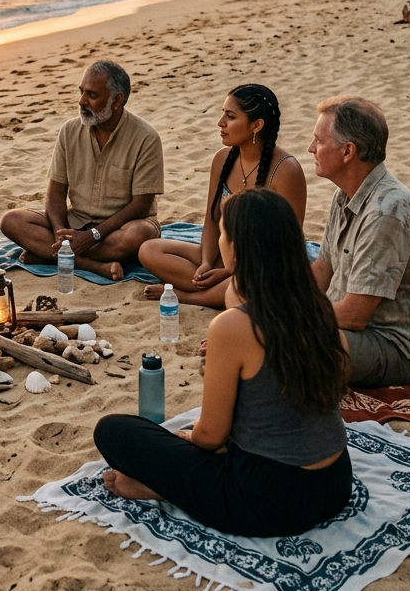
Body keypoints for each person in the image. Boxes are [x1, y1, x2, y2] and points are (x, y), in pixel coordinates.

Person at [94, 189, 352, 537]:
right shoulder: (319, 312)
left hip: (268, 500)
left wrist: (190, 439)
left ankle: (166, 489)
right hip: (335, 484)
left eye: (223, 234)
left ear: (237, 248)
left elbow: (210, 437)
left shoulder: (234, 326)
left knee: (113, 431)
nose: (220, 241)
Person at [309, 96, 410, 388]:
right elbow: (323, 268)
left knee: (305, 345)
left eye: (318, 141)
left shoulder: (387, 212)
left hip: (398, 345)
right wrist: (273, 305)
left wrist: (286, 319)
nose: (311, 148)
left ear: (348, 151)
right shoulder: (344, 194)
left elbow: (354, 315)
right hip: (357, 328)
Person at [138, 83, 306, 308]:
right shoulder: (222, 159)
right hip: (224, 252)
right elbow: (212, 219)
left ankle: (187, 296)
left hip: (264, 263)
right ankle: (217, 289)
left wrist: (229, 271)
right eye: (222, 113)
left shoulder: (286, 170)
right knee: (148, 250)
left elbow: (288, 244)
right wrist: (207, 263)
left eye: (230, 116)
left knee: (251, 283)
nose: (220, 122)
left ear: (256, 125)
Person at [0, 61, 163, 281]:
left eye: (92, 95)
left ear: (117, 100)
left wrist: (92, 236)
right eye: (81, 92)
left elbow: (141, 206)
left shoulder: (146, 138)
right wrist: (61, 235)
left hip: (120, 228)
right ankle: (93, 265)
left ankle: (50, 255)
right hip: (75, 222)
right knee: (11, 221)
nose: (82, 101)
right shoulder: (69, 131)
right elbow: (55, 193)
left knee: (139, 235)